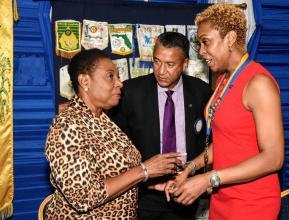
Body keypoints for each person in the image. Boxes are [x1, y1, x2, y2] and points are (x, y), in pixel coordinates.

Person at [164, 3, 285, 220]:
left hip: (253, 203)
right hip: (222, 198)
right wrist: (190, 168)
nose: (201, 52)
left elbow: (273, 158)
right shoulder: (222, 80)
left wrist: (208, 179)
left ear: (229, 38)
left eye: (206, 42)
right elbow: (226, 142)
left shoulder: (258, 83)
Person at [44, 48, 185, 220]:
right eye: (110, 76)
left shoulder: (105, 121)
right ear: (85, 81)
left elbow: (116, 175)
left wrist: (151, 183)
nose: (120, 83)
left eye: (118, 76)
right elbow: (82, 196)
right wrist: (144, 170)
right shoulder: (66, 125)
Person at [109, 32, 213, 220]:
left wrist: (192, 173)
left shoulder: (201, 92)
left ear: (185, 64)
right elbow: (115, 148)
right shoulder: (130, 92)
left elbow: (207, 142)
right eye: (156, 62)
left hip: (184, 193)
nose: (161, 71)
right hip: (144, 194)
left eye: (170, 64)